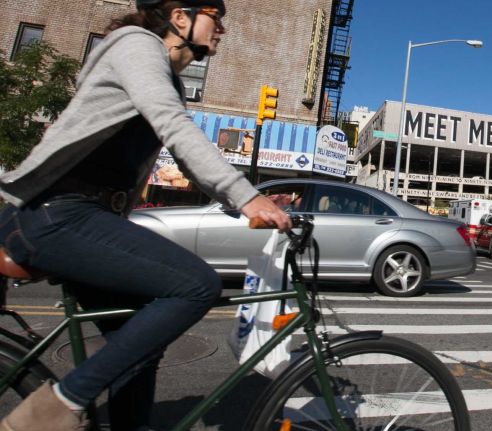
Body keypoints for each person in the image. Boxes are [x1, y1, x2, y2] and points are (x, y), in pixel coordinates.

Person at [0, 1, 291, 430]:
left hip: (83, 219)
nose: (222, 29)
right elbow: (174, 126)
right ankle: (59, 405)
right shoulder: (136, 47)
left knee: (139, 347)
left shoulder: (167, 80)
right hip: (53, 213)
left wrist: (248, 201)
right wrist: (245, 197)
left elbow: (187, 157)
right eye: (215, 15)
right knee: (197, 285)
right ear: (180, 17)